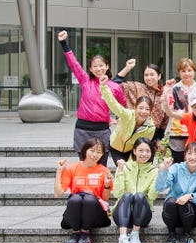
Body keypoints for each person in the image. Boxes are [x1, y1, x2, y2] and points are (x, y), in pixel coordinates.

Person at [57, 30, 125, 166]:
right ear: (90, 69)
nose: (98, 68)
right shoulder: (85, 80)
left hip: (102, 130)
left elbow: (123, 106)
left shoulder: (115, 87)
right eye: (95, 66)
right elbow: (73, 63)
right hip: (83, 129)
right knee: (84, 165)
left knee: (101, 165)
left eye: (101, 65)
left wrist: (118, 119)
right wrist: (64, 43)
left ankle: (101, 188)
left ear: (107, 67)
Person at [54, 138, 113, 243]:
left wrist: (106, 185)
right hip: (76, 210)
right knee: (75, 199)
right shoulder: (72, 168)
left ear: (102, 155)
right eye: (92, 150)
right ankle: (75, 233)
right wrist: (59, 172)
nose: (94, 154)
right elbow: (57, 194)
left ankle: (85, 233)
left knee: (89, 199)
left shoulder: (104, 171)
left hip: (95, 212)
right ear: (85, 150)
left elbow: (105, 198)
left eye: (99, 152)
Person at [156, 141, 196, 243]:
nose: (192, 157)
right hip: (173, 214)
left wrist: (189, 196)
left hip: (192, 215)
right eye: (189, 153)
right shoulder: (176, 168)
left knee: (185, 203)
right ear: (185, 155)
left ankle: (186, 234)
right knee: (170, 201)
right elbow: (160, 187)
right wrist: (164, 171)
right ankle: (171, 235)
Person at [111, 138, 158, 243]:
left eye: (148, 151)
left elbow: (152, 196)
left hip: (142, 215)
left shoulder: (154, 170)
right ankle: (122, 238)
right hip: (122, 214)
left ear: (151, 153)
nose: (144, 154)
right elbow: (117, 193)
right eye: (141, 150)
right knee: (127, 195)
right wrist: (120, 171)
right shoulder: (124, 166)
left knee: (140, 196)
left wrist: (161, 176)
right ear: (134, 151)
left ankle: (135, 234)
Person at [99, 76, 155, 165]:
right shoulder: (127, 115)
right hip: (116, 147)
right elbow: (113, 104)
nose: (143, 112)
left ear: (151, 111)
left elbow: (142, 144)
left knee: (130, 169)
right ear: (135, 108)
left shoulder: (151, 127)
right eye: (141, 108)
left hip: (132, 151)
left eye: (147, 109)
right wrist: (103, 87)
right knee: (122, 169)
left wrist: (130, 162)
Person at [113, 60, 168, 146]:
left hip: (151, 137)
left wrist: (159, 140)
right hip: (132, 133)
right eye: (146, 75)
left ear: (159, 76)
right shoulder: (137, 87)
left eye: (152, 74)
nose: (149, 78)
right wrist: (127, 68)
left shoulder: (165, 94)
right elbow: (114, 85)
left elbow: (164, 121)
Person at [166, 58, 196, 163]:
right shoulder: (174, 88)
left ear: (194, 71)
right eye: (183, 71)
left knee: (195, 163)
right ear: (179, 72)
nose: (187, 74)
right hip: (178, 132)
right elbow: (168, 109)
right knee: (178, 163)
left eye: (189, 70)